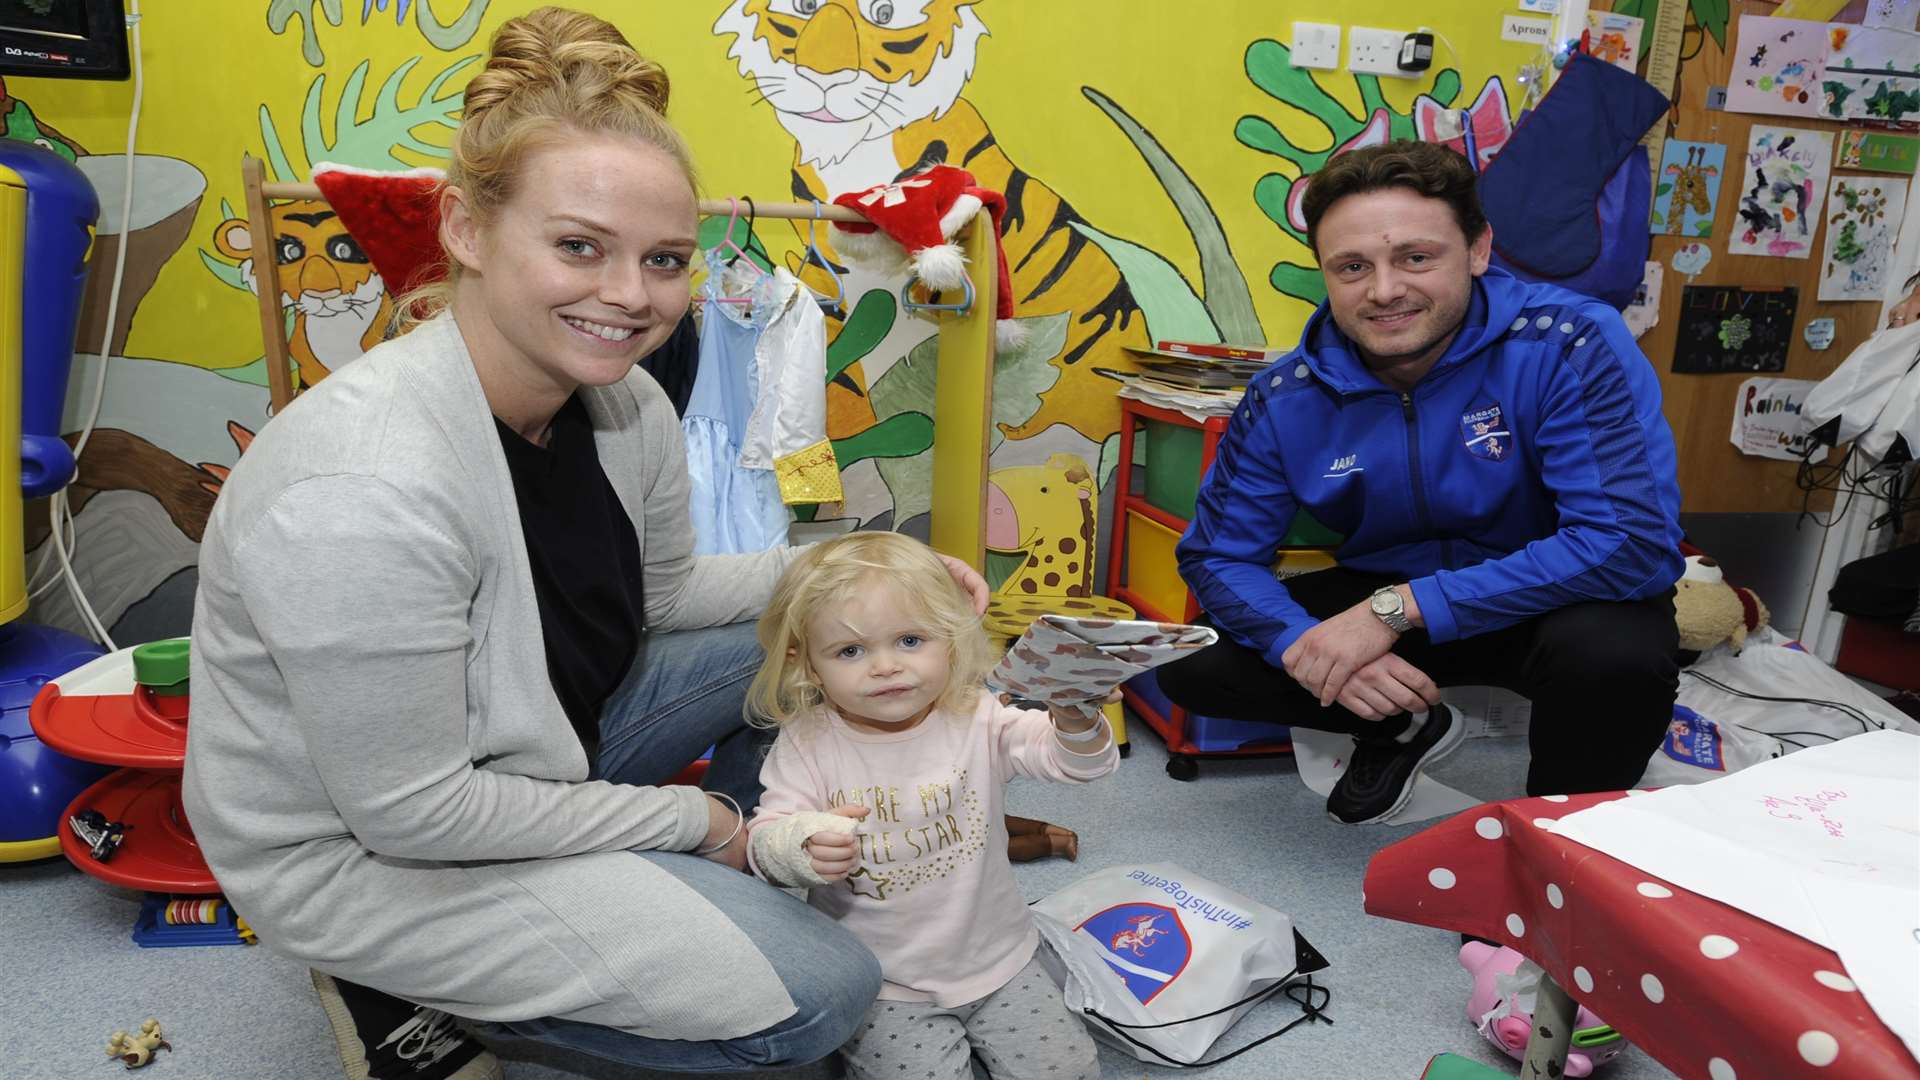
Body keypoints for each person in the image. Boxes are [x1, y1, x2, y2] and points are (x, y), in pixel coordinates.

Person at [181, 9, 989, 1080]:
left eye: (663, 260)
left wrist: (872, 574)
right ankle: (417, 996)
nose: (631, 297)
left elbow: (666, 594)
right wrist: (696, 822)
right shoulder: (364, 488)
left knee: (824, 639)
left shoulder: (623, 409)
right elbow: (416, 809)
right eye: (578, 247)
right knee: (820, 999)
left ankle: (701, 909)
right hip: (371, 848)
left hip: (538, 742)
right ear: (467, 231)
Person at [1156, 140, 1684, 824]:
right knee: (1194, 662)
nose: (1384, 290)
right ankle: (1398, 725)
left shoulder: (1569, 343)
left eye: (1416, 257)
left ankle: (1559, 841)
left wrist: (1395, 611)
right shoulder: (1285, 394)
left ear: (1478, 250)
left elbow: (1629, 543)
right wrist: (1303, 645)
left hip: (1547, 597)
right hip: (1392, 593)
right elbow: (1217, 555)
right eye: (1352, 266)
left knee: (1618, 656)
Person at [741, 531, 1116, 1080]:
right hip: (886, 982)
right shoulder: (807, 741)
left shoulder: (976, 714)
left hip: (1000, 959)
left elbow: (1079, 764)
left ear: (952, 638)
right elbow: (765, 837)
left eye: (911, 640)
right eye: (851, 651)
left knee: (1071, 1070)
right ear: (806, 664)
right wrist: (800, 845)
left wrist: (1077, 719)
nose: (886, 666)